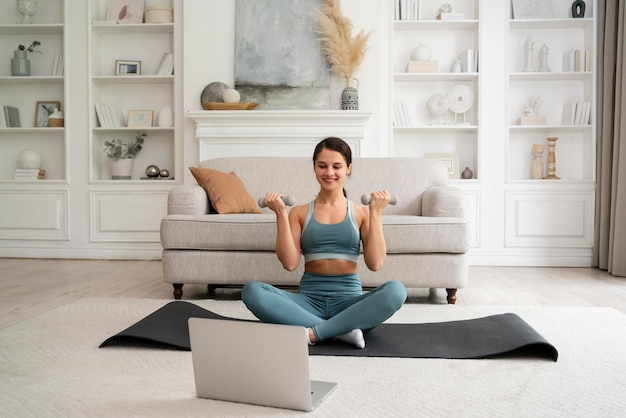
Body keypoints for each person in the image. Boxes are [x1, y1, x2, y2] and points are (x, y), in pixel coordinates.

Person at [242, 137, 407, 349]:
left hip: (349, 303)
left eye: (337, 166)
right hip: (308, 302)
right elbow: (290, 264)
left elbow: (375, 264)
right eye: (322, 166)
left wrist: (375, 212)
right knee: (252, 291)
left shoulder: (361, 212)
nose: (329, 173)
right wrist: (281, 214)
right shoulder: (299, 212)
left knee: (397, 291)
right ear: (314, 168)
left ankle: (315, 333)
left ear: (348, 169)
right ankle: (342, 331)